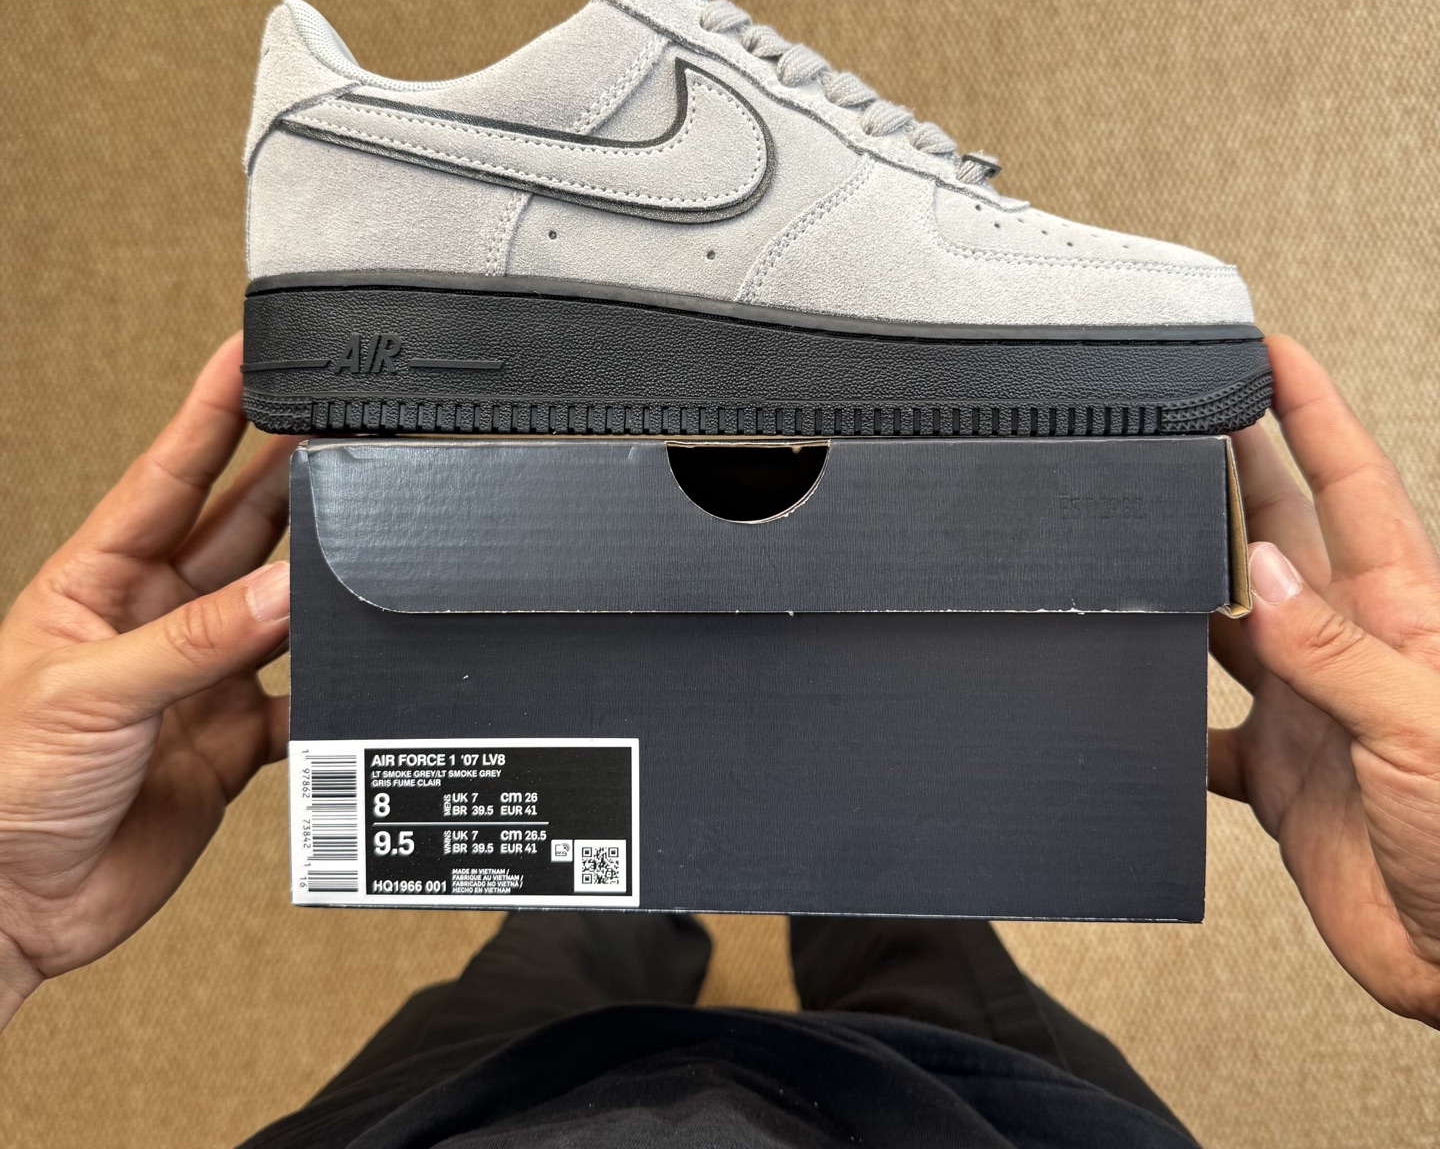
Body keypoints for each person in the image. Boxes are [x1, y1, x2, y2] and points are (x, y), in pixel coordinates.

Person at [0, 334, 1436, 1145]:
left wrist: (8, 914)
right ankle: (802, 820)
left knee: (565, 939)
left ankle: (677, 846)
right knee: (906, 916)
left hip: (454, 1114)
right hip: (985, 1117)